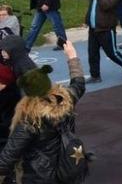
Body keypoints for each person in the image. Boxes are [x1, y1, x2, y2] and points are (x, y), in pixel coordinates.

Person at [0, 42, 85, 182]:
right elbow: (79, 83)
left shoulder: (29, 121)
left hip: (40, 176)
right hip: (68, 164)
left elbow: (7, 159)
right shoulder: (66, 99)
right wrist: (72, 56)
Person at [0, 36, 36, 158]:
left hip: (29, 110)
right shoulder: (17, 64)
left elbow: (32, 94)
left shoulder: (24, 68)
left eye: (4, 50)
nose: (2, 53)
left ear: (13, 51)